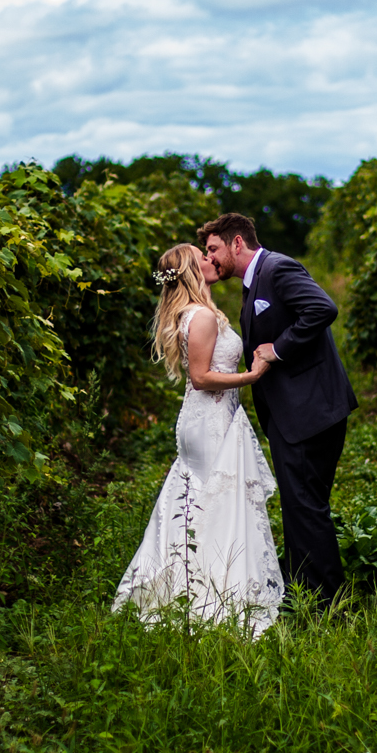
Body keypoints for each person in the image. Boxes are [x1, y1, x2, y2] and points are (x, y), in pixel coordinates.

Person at [111, 244, 284, 633]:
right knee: (216, 502)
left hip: (204, 418)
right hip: (209, 419)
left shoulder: (191, 313)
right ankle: (214, 591)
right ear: (191, 270)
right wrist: (250, 377)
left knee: (200, 501)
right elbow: (202, 378)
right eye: (201, 257)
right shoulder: (202, 316)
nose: (210, 260)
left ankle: (189, 584)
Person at [197, 211, 357, 605]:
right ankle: (304, 590)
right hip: (294, 415)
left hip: (311, 413)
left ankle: (328, 604)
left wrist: (278, 349)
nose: (210, 257)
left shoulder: (278, 268)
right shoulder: (252, 285)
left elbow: (323, 309)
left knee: (306, 506)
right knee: (299, 505)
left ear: (237, 243)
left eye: (213, 248)